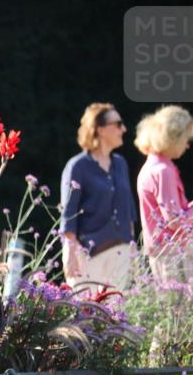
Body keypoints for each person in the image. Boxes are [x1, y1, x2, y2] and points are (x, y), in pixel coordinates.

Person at [59, 103, 139, 296]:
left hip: (120, 252)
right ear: (100, 129)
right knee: (84, 317)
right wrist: (69, 251)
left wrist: (133, 248)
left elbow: (127, 208)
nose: (124, 129)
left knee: (113, 319)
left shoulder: (120, 163)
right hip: (87, 255)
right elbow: (68, 214)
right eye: (118, 124)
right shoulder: (77, 166)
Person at [134, 104, 193, 284]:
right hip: (174, 256)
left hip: (164, 253)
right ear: (173, 138)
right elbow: (174, 220)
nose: (188, 145)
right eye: (186, 139)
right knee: (182, 311)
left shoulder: (151, 167)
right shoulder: (163, 171)